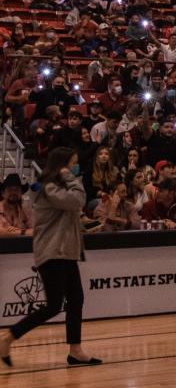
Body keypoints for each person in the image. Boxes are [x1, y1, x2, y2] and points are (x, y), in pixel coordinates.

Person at [0, 147, 102, 367]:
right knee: (54, 305)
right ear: (62, 166)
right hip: (52, 251)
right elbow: (78, 199)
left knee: (76, 299)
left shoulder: (55, 187)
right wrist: (68, 175)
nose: (75, 168)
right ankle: (8, 337)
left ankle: (75, 350)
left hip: (65, 251)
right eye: (72, 164)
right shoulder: (48, 188)